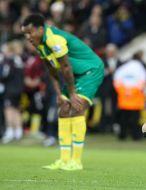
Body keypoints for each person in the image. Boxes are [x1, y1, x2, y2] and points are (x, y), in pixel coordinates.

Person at [21, 14, 104, 171]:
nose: (27, 37)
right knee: (64, 110)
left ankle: (76, 161)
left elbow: (65, 66)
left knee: (77, 108)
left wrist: (72, 94)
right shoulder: (40, 44)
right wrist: (59, 93)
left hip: (90, 70)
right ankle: (64, 160)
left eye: (30, 32)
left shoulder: (54, 39)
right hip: (74, 74)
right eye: (25, 33)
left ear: (40, 29)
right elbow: (52, 69)